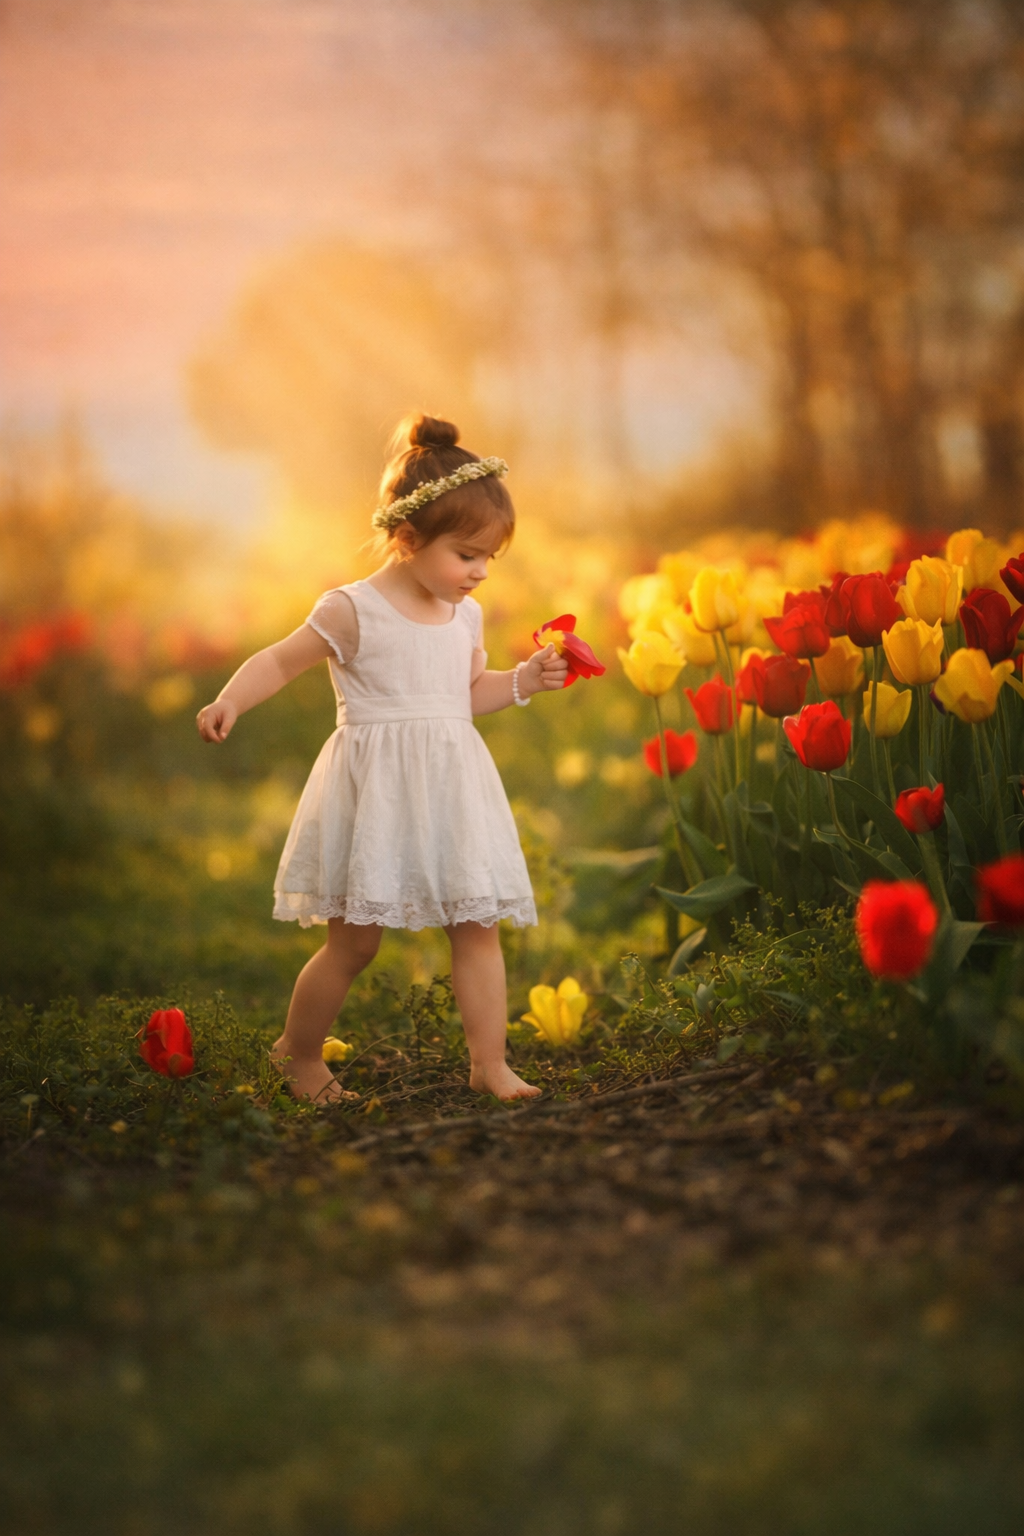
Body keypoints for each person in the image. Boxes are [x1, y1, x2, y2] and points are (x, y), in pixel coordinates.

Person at [196, 414, 568, 1104]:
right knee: (354, 945)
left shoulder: (466, 617)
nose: (480, 572)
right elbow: (280, 659)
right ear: (406, 537)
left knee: (477, 929)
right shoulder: (352, 610)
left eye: (490, 557)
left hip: (453, 789)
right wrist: (231, 701)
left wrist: (524, 680)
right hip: (377, 796)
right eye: (466, 555)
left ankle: (489, 1063)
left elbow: (464, 696)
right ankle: (298, 1054)